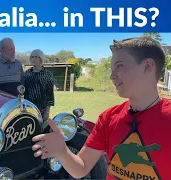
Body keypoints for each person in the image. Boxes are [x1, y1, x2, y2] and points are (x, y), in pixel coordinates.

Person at [31, 36, 171, 179]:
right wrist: (62, 151)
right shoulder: (109, 118)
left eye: (120, 66)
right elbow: (81, 168)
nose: (112, 76)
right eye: (112, 68)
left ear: (147, 66)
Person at [24, 49, 54, 122]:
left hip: (41, 109)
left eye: (36, 57)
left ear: (41, 58)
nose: (33, 59)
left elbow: (50, 94)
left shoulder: (47, 74)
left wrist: (47, 112)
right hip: (28, 109)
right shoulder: (27, 73)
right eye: (32, 57)